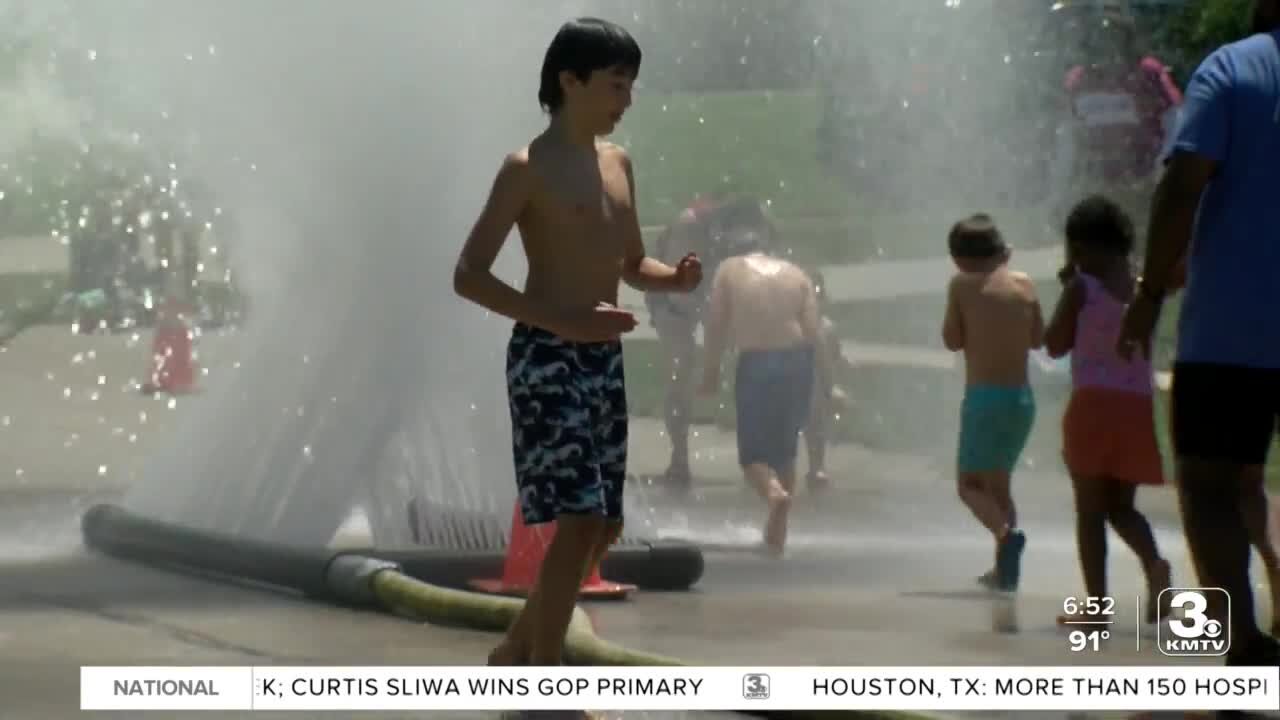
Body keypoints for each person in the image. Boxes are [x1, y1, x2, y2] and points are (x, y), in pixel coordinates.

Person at [452, 17, 701, 667]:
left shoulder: (619, 164)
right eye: (616, 85)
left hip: (601, 358)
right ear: (570, 81)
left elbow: (631, 263)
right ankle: (546, 671)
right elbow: (469, 275)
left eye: (631, 86)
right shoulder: (527, 169)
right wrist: (565, 324)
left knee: (606, 523)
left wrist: (672, 279)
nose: (627, 101)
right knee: (581, 520)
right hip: (547, 357)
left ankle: (515, 649)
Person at [1117, 0, 1280, 666]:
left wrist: (1150, 291)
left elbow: (1184, 183)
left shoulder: (1236, 69)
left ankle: (1243, 644)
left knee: (1210, 482)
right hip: (1231, 331)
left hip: (1231, 331)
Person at [1043, 195, 1172, 624]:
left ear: (1082, 247)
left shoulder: (1083, 287)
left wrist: (1067, 291)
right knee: (1121, 507)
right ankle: (1154, 563)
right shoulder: (1141, 291)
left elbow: (1055, 344)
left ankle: (1096, 607)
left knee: (1090, 512)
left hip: (1094, 405)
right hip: (1135, 407)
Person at [697, 225, 827, 553]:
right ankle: (776, 533)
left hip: (758, 362)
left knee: (752, 454)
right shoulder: (797, 273)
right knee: (786, 450)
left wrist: (710, 372)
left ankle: (773, 494)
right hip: (799, 362)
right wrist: (827, 380)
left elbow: (716, 324)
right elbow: (814, 333)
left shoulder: (728, 269)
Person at [1168, 257, 1280, 636]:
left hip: (1224, 344)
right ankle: (1273, 572)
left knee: (1206, 489)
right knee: (1247, 482)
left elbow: (1177, 268)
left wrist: (1148, 293)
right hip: (1263, 340)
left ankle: (1223, 613)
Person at [941, 214, 1044, 593]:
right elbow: (1037, 338)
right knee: (999, 488)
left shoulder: (962, 285)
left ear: (959, 259)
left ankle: (1005, 535)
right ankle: (1004, 571)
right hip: (1021, 400)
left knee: (968, 485)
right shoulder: (1024, 285)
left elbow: (952, 339)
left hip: (984, 399)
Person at [644, 194, 773, 491]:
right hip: (672, 303)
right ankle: (679, 459)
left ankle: (758, 457)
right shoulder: (689, 226)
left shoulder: (756, 224)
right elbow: (683, 292)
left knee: (750, 370)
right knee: (680, 375)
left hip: (706, 297)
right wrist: (719, 326)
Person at [1056, 7, 1182, 239]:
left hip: (1141, 178)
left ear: (1125, 38)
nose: (1105, 41)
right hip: (1096, 181)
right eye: (1099, 35)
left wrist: (1162, 166)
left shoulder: (1147, 73)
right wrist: (1060, 186)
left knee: (1139, 240)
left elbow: (1175, 121)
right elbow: (1068, 136)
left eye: (1112, 34)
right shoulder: (1078, 80)